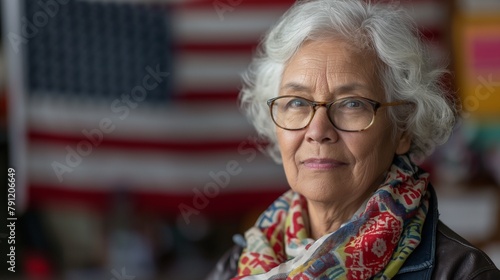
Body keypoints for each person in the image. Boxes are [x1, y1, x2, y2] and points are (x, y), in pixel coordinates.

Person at [207, 0, 500, 279]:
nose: (318, 130)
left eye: (352, 104)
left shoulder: (462, 273)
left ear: (403, 129)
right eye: (296, 102)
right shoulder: (239, 263)